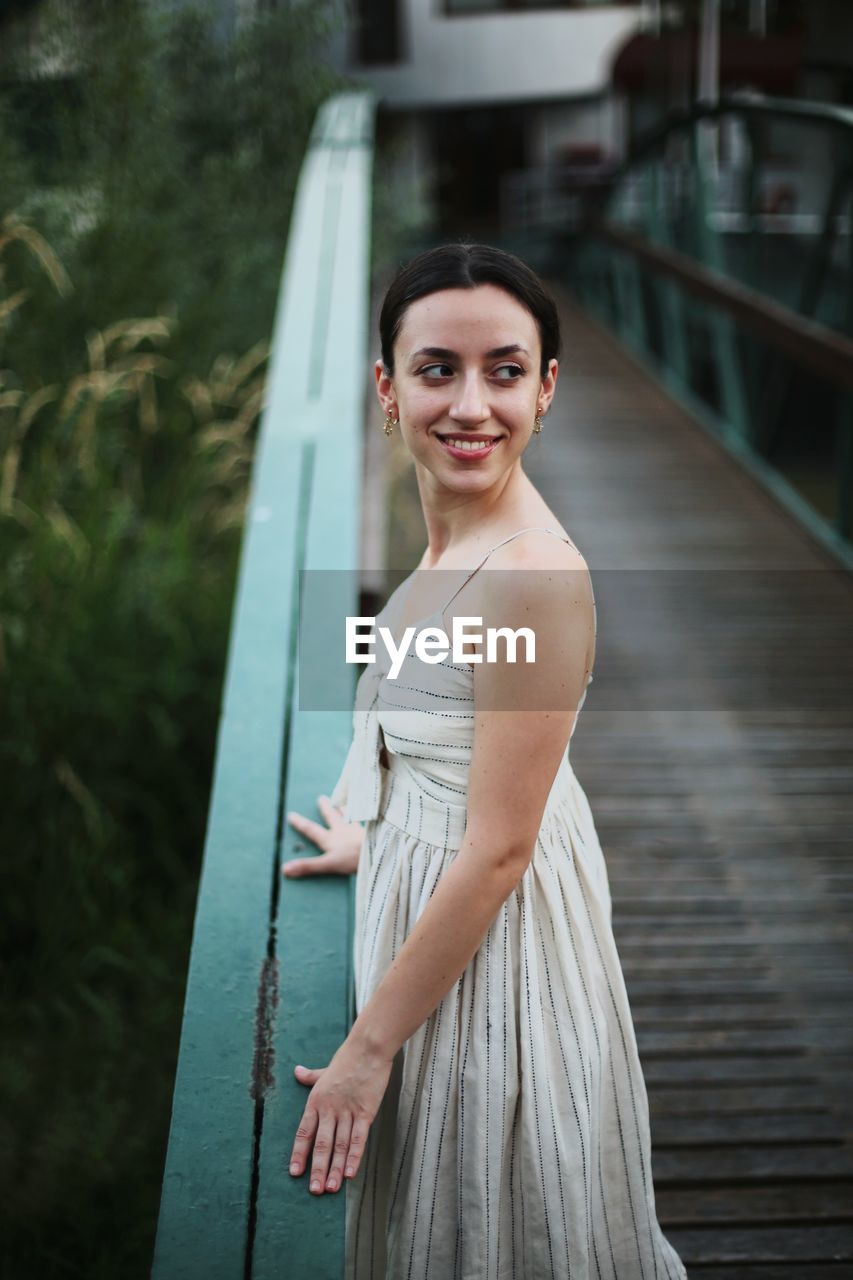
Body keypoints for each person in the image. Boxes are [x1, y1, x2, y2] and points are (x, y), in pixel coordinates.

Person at [282, 243, 688, 1280]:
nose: (471, 405)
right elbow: (455, 732)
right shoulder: (452, 531)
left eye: (505, 371)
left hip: (496, 955)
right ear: (387, 387)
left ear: (547, 387)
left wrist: (367, 1051)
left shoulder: (532, 576)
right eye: (436, 370)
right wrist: (377, 833)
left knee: (498, 1227)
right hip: (437, 903)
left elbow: (500, 850)